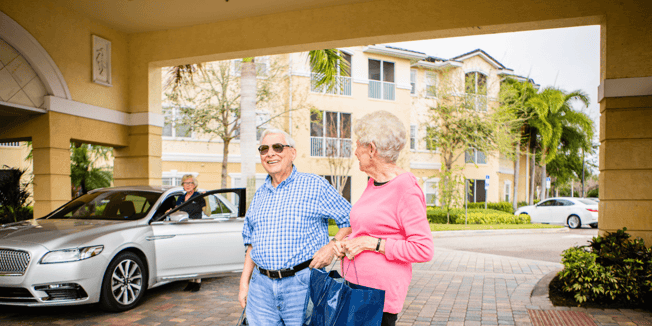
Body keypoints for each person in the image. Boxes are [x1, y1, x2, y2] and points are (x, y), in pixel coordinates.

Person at [239, 128, 352, 326]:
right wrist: (243, 285)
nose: (270, 153)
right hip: (261, 288)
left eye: (277, 147)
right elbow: (251, 244)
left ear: (292, 152)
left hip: (303, 284)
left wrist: (331, 247)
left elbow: (351, 219)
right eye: (264, 149)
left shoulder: (314, 185)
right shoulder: (259, 195)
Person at [333, 110, 435, 326]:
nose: (355, 152)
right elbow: (372, 224)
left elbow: (423, 248)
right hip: (355, 288)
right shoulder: (373, 183)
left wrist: (372, 244)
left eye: (358, 145)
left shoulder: (406, 188)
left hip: (378, 299)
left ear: (371, 149)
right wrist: (346, 237)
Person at [175, 174, 207, 291]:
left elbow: (208, 212)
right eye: (185, 183)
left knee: (197, 255)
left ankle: (197, 281)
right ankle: (190, 281)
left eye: (190, 183)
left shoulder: (198, 196)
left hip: (196, 228)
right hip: (183, 229)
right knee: (187, 255)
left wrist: (206, 198)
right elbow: (177, 211)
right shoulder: (180, 198)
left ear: (194, 185)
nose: (187, 185)